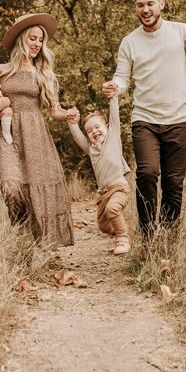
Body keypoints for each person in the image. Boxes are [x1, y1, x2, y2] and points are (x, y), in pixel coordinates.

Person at [103, 0, 186, 238]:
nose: (145, 9)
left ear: (161, 3)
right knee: (147, 173)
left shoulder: (181, 32)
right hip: (144, 120)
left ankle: (168, 237)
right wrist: (114, 86)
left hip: (179, 119)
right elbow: (122, 77)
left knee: (173, 182)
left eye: (150, 3)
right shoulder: (129, 42)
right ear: (135, 8)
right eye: (140, 5)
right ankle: (149, 236)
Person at [0, 12, 77, 247]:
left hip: (36, 135)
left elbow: (54, 110)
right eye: (33, 38)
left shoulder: (43, 73)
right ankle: (21, 235)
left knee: (37, 187)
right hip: (9, 135)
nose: (37, 44)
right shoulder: (0, 70)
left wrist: (68, 113)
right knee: (11, 187)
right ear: (21, 39)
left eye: (40, 40)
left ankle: (37, 245)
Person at [67, 92, 131, 255]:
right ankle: (123, 228)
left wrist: (113, 98)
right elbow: (77, 136)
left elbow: (114, 116)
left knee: (112, 210)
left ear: (107, 128)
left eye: (97, 127)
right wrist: (72, 122)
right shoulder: (91, 149)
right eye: (89, 130)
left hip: (119, 188)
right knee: (103, 226)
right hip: (104, 194)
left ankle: (123, 240)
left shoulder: (113, 138)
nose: (94, 131)